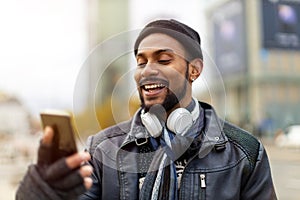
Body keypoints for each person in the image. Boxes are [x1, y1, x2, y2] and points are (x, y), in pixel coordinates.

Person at [16, 19, 277, 199]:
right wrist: (42, 191)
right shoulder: (102, 149)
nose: (148, 69)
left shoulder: (245, 153)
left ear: (194, 70)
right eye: (141, 62)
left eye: (163, 59)